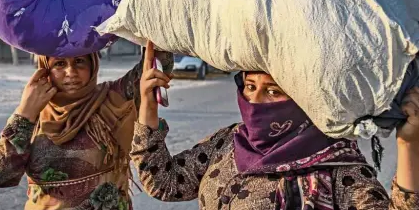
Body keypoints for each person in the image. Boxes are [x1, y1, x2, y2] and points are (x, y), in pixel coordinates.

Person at [130, 40, 419, 210]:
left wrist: (409, 145)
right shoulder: (229, 141)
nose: (254, 100)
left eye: (274, 91)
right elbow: (164, 183)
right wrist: (148, 104)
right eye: (250, 86)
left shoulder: (338, 168)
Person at [0, 0, 172, 210]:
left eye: (80, 62)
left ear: (93, 63)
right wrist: (25, 113)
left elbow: (159, 58)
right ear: (46, 67)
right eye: (60, 64)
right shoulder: (33, 111)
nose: (71, 72)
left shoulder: (113, 97)